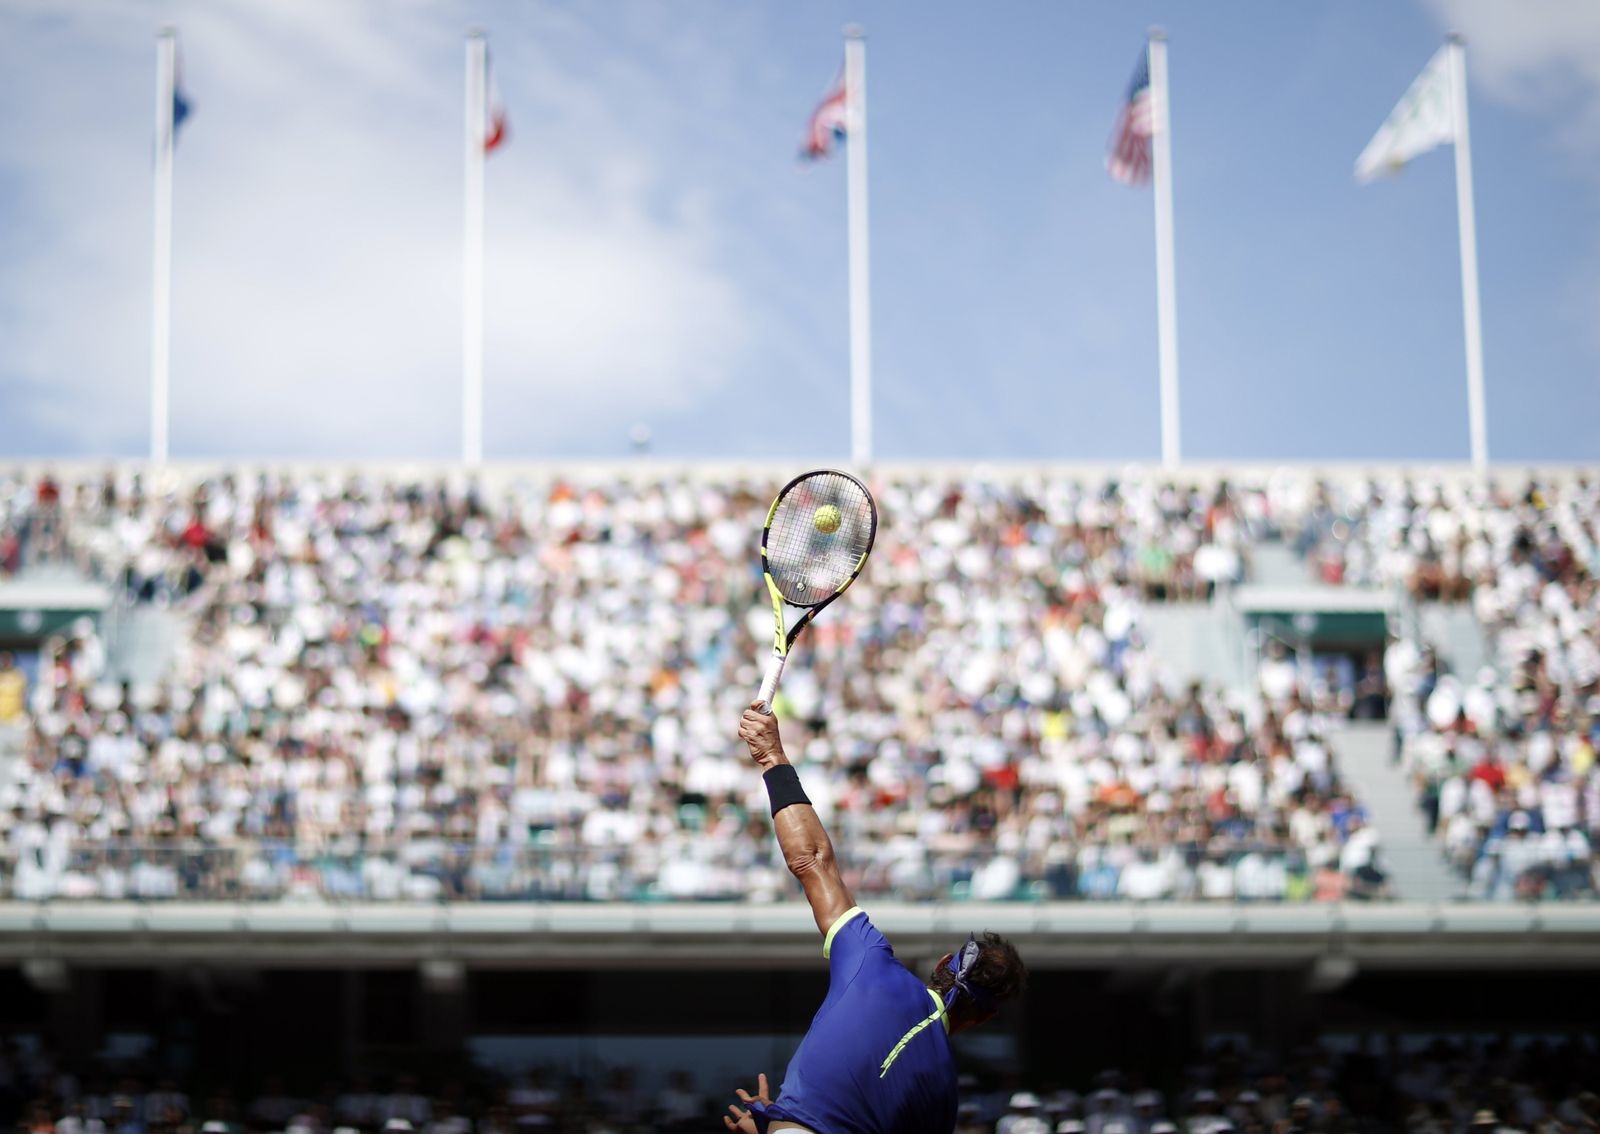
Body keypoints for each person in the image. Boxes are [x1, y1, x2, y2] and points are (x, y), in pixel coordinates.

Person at [727, 704, 1028, 1134]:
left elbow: (811, 860)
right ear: (985, 1017)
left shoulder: (870, 958)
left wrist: (772, 757)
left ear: (944, 963)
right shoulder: (943, 1098)